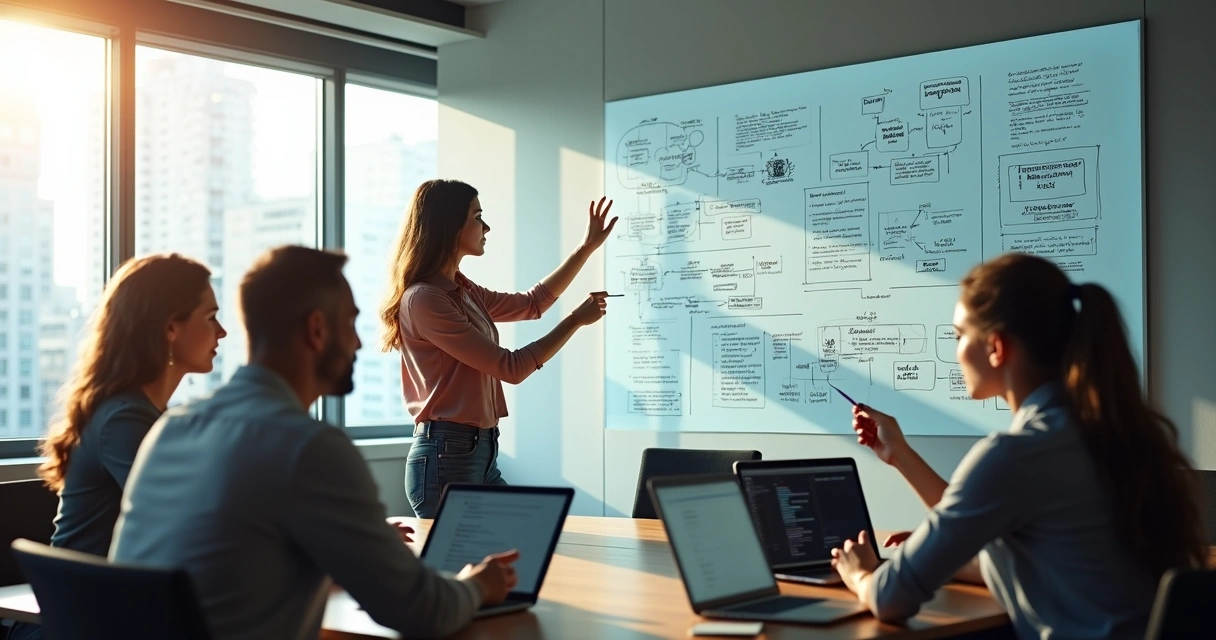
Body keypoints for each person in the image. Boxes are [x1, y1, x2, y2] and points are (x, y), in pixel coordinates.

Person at [110, 246, 519, 639]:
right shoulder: (308, 447)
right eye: (350, 324)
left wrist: (357, 547)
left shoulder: (173, 427)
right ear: (317, 329)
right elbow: (420, 611)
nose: (357, 343)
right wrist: (478, 585)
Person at [829, 253, 1207, 639]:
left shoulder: (1016, 454)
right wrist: (902, 458)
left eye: (959, 336)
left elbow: (891, 598)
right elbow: (1047, 560)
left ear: (996, 347)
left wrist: (861, 573)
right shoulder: (1109, 433)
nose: (956, 351)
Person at [5, 254, 225, 640]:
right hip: (80, 624)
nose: (221, 332)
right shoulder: (124, 419)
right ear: (171, 327)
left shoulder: (141, 414)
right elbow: (187, 522)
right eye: (210, 317)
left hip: (110, 614)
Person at [381, 179, 616, 517]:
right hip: (448, 452)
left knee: (515, 544)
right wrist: (576, 320)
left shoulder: (461, 290)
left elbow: (533, 304)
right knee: (463, 562)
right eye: (478, 217)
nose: (486, 226)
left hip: (479, 448)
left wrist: (586, 248)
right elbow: (512, 368)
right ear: (450, 225)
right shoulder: (425, 299)